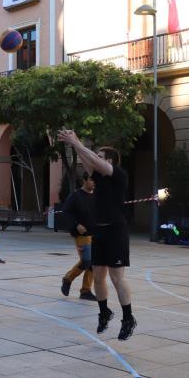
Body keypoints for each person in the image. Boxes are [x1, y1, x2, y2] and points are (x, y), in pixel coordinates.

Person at [59, 130, 137, 340]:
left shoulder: (118, 175)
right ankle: (104, 312)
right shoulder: (98, 178)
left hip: (115, 230)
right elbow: (88, 160)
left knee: (116, 276)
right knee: (99, 275)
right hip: (100, 230)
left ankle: (128, 318)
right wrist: (75, 145)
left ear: (109, 161)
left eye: (101, 157)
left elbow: (91, 158)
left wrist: (75, 141)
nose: (96, 159)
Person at [61, 173, 97, 301]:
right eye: (92, 180)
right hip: (82, 235)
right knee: (86, 260)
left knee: (93, 263)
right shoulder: (75, 196)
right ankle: (67, 278)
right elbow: (66, 212)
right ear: (85, 180)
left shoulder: (97, 196)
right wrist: (76, 225)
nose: (94, 183)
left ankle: (86, 291)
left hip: (96, 234)